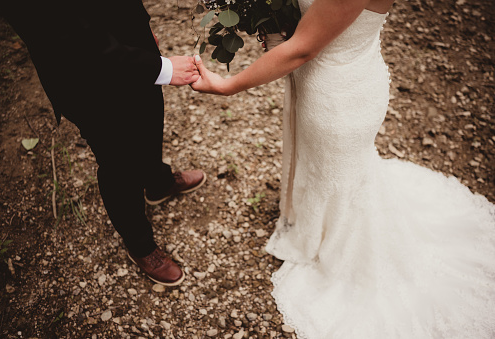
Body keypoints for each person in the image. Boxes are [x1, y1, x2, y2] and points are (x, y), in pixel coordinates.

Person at [191, 0, 495, 337]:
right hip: (337, 82)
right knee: (336, 178)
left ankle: (345, 254)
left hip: (338, 101)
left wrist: (227, 85)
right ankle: (317, 226)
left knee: (337, 181)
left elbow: (302, 49)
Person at [0, 0, 206, 286]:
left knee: (150, 116)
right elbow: (61, 34)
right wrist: (160, 68)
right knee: (118, 159)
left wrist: (138, 31)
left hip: (129, 46)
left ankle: (158, 181)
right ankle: (140, 244)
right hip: (84, 78)